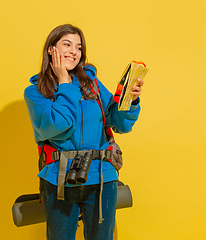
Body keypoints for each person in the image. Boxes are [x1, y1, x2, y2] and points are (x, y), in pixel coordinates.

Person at [24, 24, 144, 240]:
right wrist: (64, 82)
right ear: (51, 49)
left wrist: (130, 101)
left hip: (102, 178)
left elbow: (120, 124)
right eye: (67, 44)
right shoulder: (35, 92)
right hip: (59, 181)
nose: (73, 51)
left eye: (78, 47)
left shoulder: (93, 85)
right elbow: (59, 124)